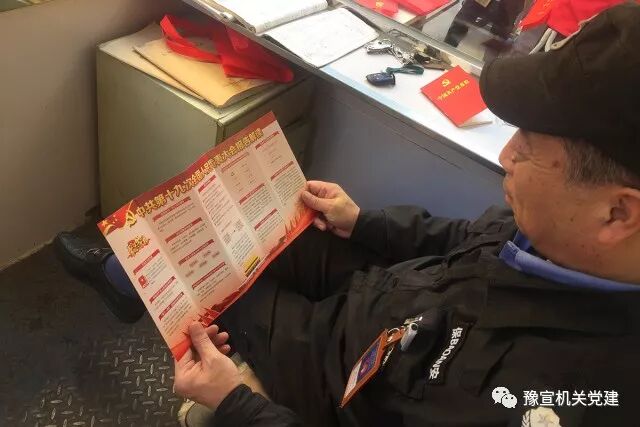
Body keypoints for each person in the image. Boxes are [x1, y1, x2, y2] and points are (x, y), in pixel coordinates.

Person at [55, 4, 640, 426]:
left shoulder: (559, 395)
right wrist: (365, 221)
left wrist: (237, 404)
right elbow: (462, 236)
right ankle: (124, 277)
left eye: (529, 149)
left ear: (617, 213)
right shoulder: (555, 234)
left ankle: (122, 282)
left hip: (338, 373)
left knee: (207, 279)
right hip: (390, 292)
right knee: (256, 223)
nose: (507, 157)